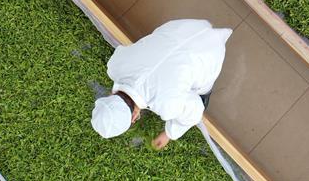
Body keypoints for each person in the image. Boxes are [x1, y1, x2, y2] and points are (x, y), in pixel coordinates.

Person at [91, 19, 232, 150]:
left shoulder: (167, 105)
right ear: (110, 95)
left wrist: (169, 134)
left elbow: (194, 111)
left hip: (210, 51)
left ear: (134, 117)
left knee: (201, 96)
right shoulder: (115, 66)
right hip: (184, 26)